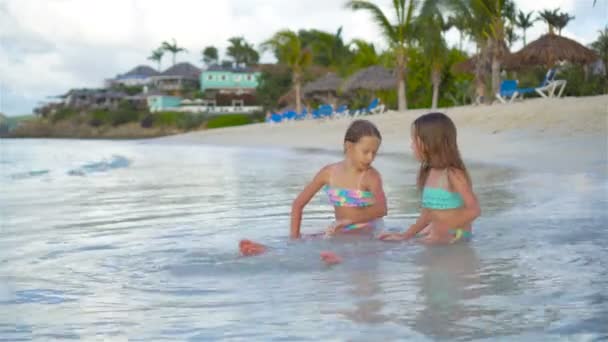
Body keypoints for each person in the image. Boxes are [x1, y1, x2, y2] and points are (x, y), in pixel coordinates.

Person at [240, 120, 388, 261]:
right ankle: (272, 251)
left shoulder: (371, 176)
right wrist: (294, 239)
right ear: (349, 146)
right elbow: (298, 204)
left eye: (374, 153)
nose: (370, 158)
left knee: (358, 247)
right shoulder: (329, 173)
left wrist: (350, 220)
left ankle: (342, 259)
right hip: (341, 230)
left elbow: (381, 209)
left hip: (367, 230)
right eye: (366, 151)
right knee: (309, 241)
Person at [378, 112, 480, 244]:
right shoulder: (429, 172)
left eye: (415, 140)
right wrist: (406, 235)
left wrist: (446, 227)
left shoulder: (453, 174)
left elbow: (474, 210)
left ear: (430, 143)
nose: (411, 145)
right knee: (399, 243)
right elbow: (428, 213)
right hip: (439, 231)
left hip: (457, 234)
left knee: (412, 249)